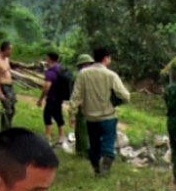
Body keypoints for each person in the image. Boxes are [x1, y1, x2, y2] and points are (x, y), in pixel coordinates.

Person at [67, 47, 131, 176]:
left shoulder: (83, 74)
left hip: (90, 117)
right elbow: (125, 96)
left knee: (94, 144)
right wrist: (117, 101)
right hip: (108, 116)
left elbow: (76, 96)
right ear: (106, 58)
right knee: (108, 141)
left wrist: (72, 113)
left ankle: (96, 168)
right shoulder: (111, 75)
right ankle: (106, 160)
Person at [36, 52, 66, 146]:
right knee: (58, 116)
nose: (46, 60)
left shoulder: (50, 72)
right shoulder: (61, 69)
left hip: (52, 98)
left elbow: (47, 87)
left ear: (50, 59)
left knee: (47, 116)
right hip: (59, 97)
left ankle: (48, 137)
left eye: (47, 58)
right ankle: (61, 137)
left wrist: (41, 99)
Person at [72, 53, 94, 156]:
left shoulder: (82, 75)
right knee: (83, 128)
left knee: (81, 129)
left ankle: (81, 151)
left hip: (85, 105)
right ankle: (83, 151)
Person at [0, 41, 17, 131]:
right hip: (4, 87)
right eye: (10, 50)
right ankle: (4, 131)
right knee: (7, 110)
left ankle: (8, 128)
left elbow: (8, 72)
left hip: (10, 86)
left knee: (12, 109)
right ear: (6, 50)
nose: (11, 52)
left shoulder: (6, 59)